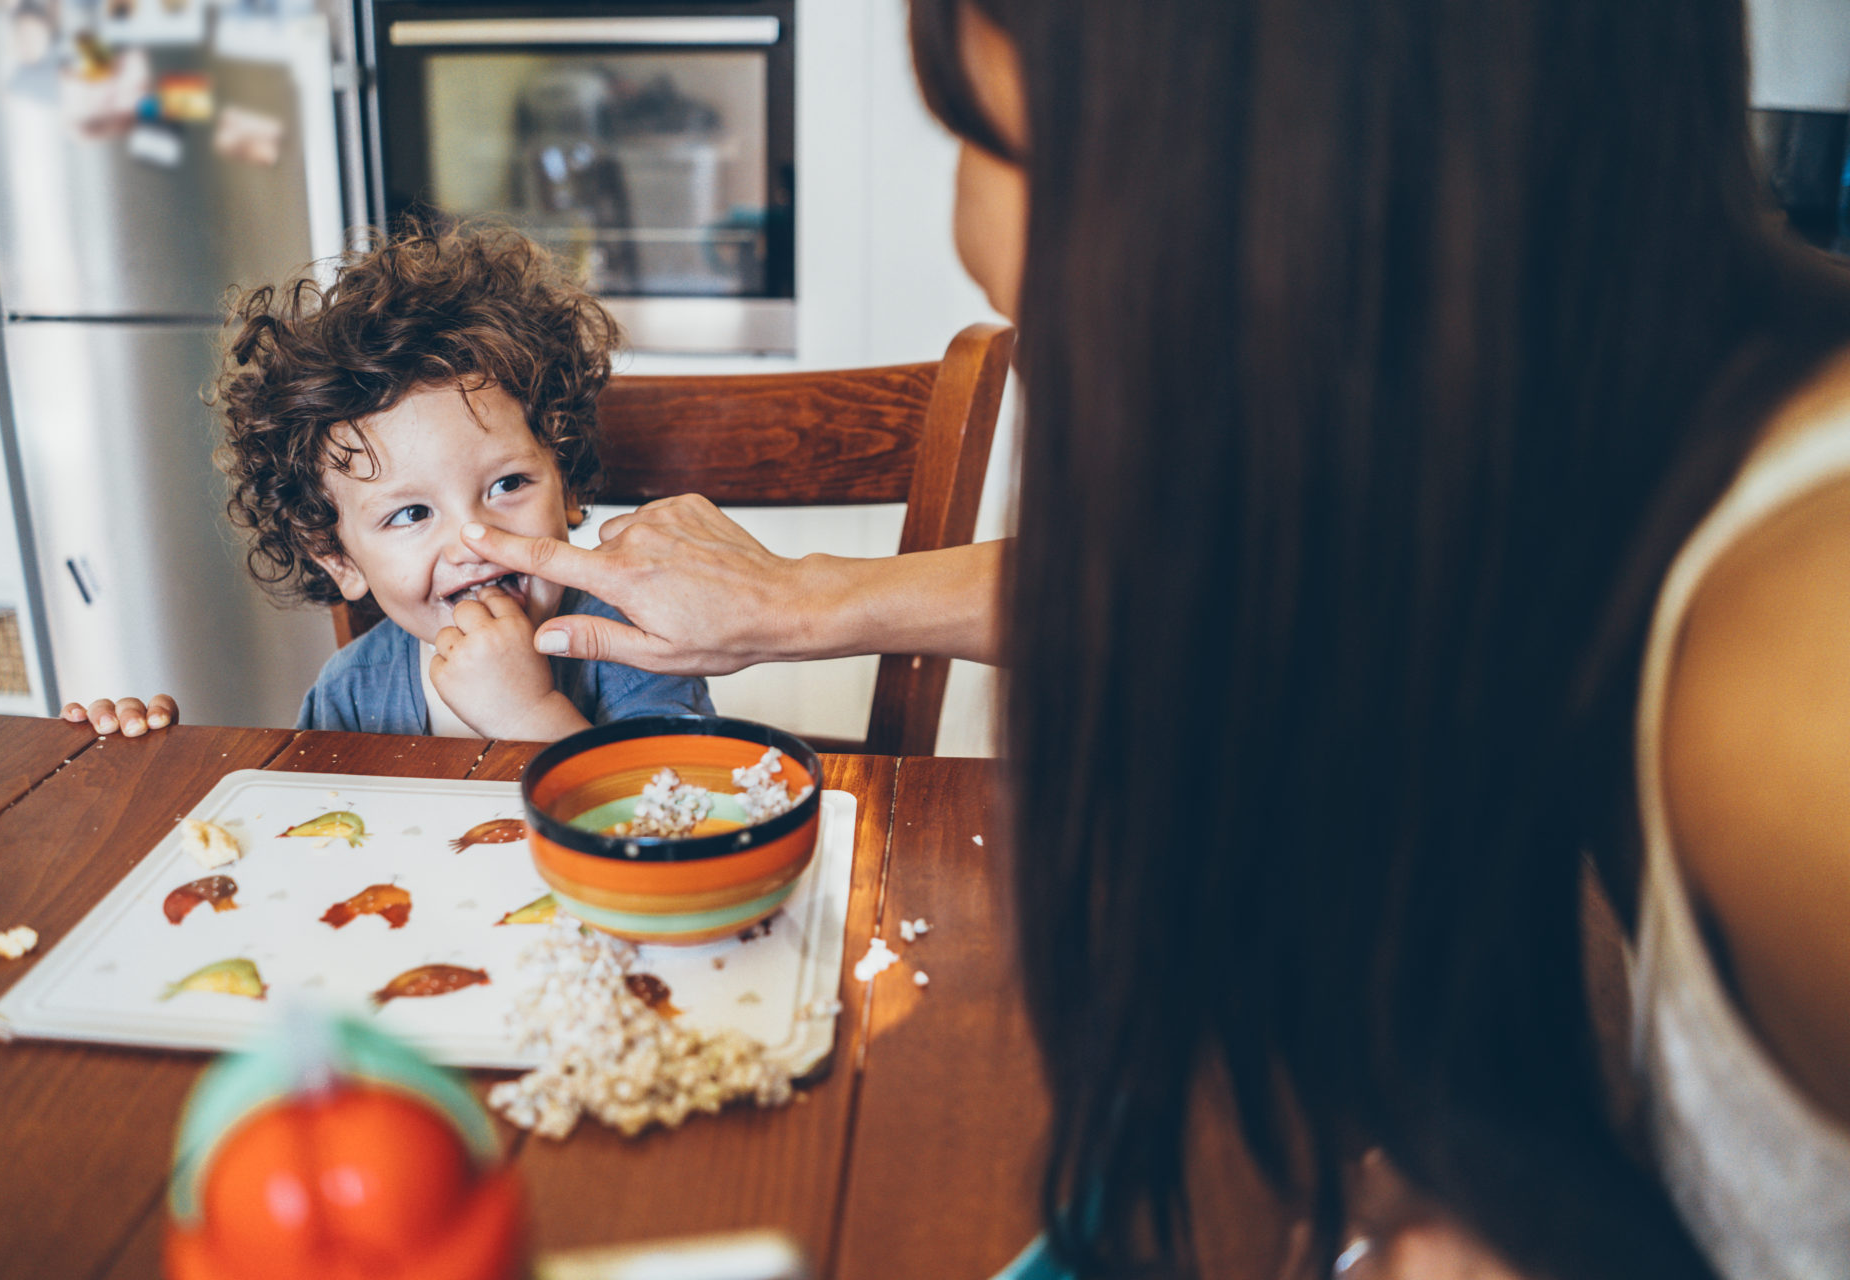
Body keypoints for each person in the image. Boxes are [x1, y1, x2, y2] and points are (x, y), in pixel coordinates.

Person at [464, 2, 1850, 1277]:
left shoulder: (1803, 678)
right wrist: (809, 600)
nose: (974, 238)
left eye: (993, 139)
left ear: (1309, 162)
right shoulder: (1509, 471)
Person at [64, 226, 711, 739]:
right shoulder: (351, 694)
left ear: (567, 484)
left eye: (507, 484)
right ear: (338, 557)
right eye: (409, 515)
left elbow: (682, 834)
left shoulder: (632, 644)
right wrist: (143, 767)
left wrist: (528, 716)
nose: (474, 539)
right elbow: (313, 846)